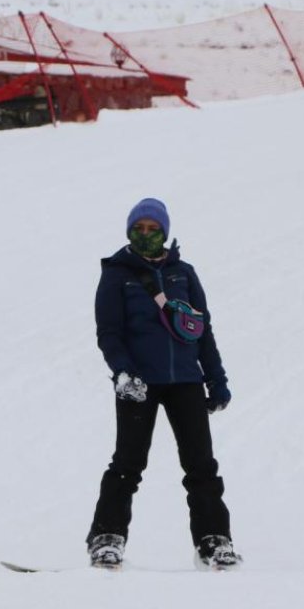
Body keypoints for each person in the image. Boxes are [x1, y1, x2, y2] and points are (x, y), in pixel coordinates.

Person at [86, 197, 240, 570]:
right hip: (139, 383)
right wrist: (123, 372)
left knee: (201, 466)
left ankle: (214, 541)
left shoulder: (183, 274)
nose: (146, 235)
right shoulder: (116, 274)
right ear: (129, 231)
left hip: (185, 381)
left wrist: (216, 379)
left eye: (153, 230)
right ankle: (107, 539)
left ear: (165, 233)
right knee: (128, 463)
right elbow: (109, 333)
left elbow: (202, 331)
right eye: (139, 229)